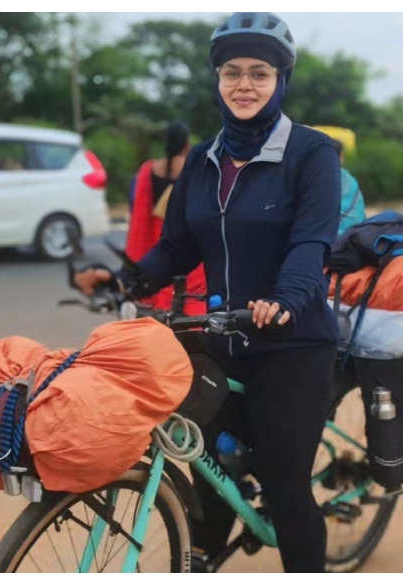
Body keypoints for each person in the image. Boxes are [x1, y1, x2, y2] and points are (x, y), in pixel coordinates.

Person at [74, 12, 341, 573]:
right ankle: (204, 558)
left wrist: (286, 300)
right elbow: (176, 248)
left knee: (285, 488)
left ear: (281, 80)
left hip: (293, 344)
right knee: (200, 467)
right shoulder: (201, 158)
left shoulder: (311, 153)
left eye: (259, 73)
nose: (244, 85)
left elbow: (310, 243)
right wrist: (125, 280)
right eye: (232, 73)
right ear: (217, 80)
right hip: (220, 339)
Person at [124, 120, 207, 315]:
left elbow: (139, 204)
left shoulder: (150, 169)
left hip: (156, 232)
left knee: (159, 269)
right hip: (181, 230)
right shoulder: (193, 166)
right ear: (186, 143)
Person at [331, 138, 366, 234]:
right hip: (356, 235)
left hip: (333, 239)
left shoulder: (320, 178)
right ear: (341, 157)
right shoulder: (350, 180)